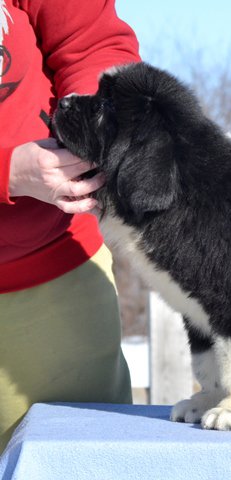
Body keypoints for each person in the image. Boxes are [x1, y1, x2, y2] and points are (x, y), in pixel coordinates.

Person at [0, 0, 141, 452]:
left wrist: (92, 125)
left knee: (84, 460)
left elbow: (91, 42)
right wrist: (7, 171)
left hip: (53, 276)